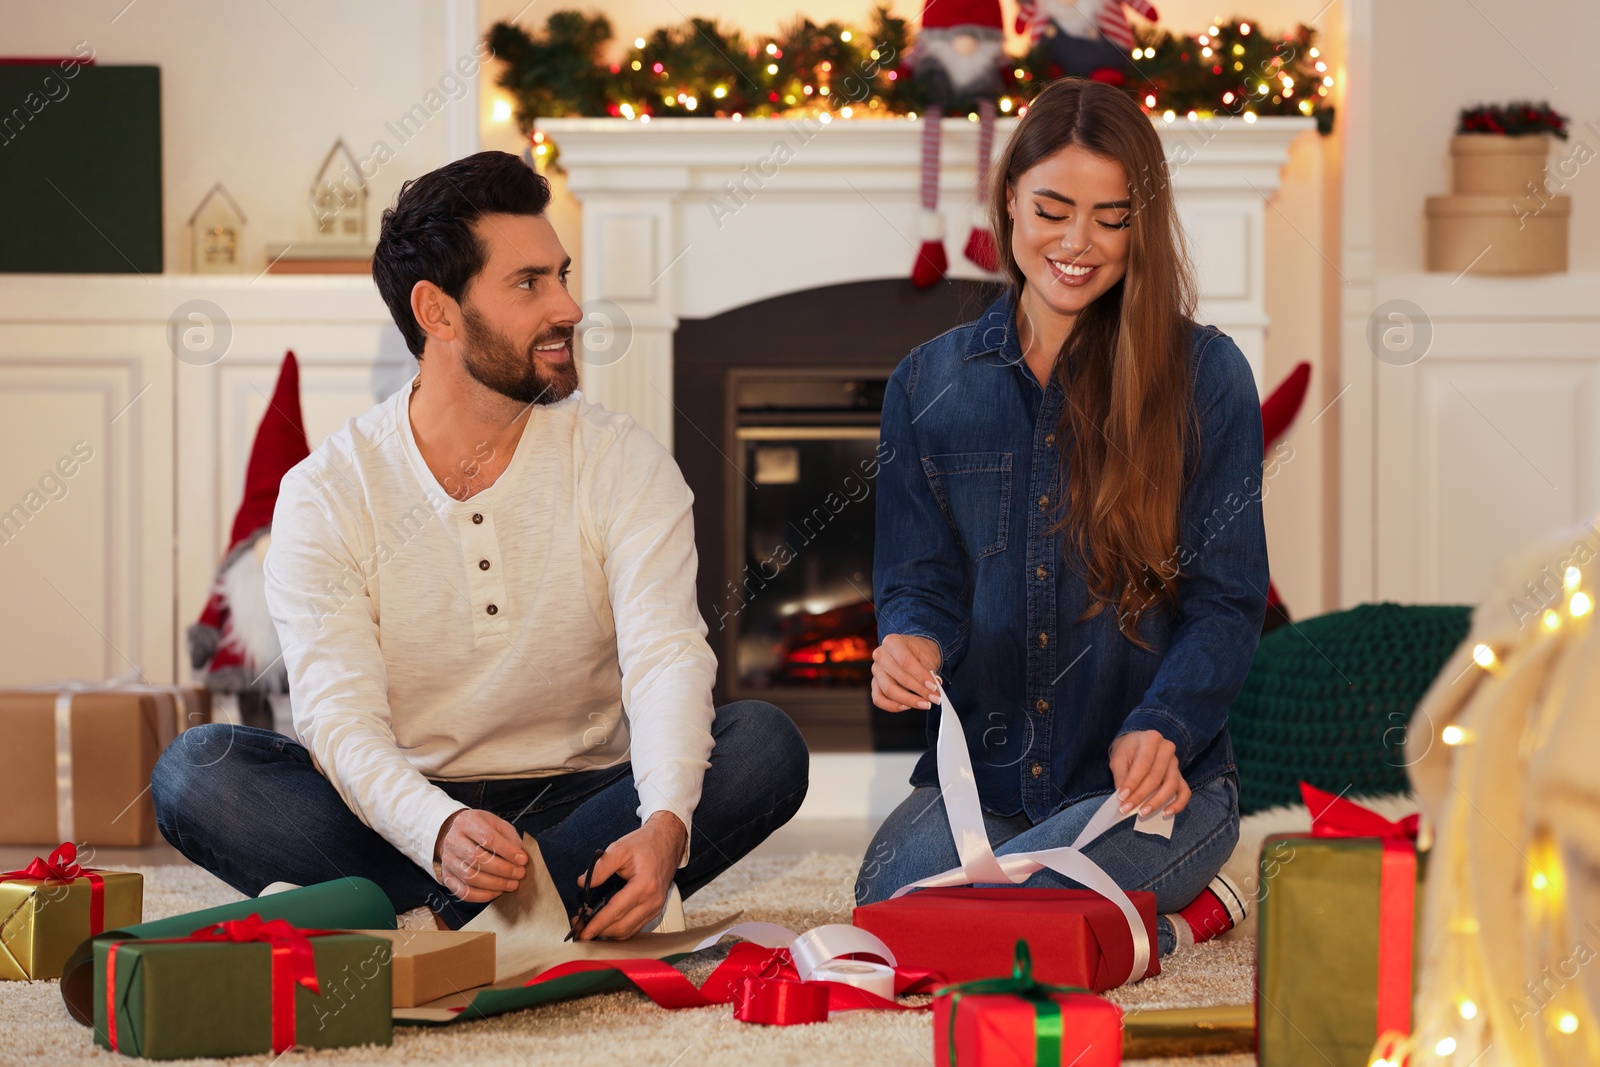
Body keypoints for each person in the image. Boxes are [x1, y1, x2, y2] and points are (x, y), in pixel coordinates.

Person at [153, 151, 809, 938]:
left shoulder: (621, 460)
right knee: (197, 772)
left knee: (764, 744)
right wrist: (434, 830)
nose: (569, 306)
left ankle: (435, 928)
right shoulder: (328, 492)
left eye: (561, 274)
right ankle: (524, 918)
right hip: (403, 810)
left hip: (586, 793)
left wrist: (666, 824)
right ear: (437, 312)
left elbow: (667, 655)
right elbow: (340, 721)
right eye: (530, 283)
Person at [855, 78, 1266, 956]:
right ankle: (1148, 924)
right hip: (986, 789)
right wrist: (910, 639)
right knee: (887, 904)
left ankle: (1111, 907)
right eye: (1052, 208)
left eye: (1112, 218)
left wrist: (1167, 726)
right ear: (1009, 199)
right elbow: (917, 580)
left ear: (1141, 225)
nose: (1078, 243)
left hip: (1153, 792)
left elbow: (1229, 602)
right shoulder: (926, 383)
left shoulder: (1209, 377)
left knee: (982, 920)